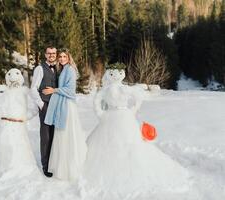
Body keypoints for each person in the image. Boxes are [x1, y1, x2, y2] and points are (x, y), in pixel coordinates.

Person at [80, 69, 191, 197]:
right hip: (113, 117)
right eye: (113, 73)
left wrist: (131, 110)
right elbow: (97, 101)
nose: (116, 76)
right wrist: (102, 113)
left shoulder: (123, 88)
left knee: (131, 144)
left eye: (118, 73)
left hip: (121, 117)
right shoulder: (109, 89)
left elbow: (137, 98)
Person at [42, 48, 87, 181]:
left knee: (66, 134)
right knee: (61, 135)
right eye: (60, 56)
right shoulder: (63, 69)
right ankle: (61, 164)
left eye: (64, 56)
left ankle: (69, 165)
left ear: (68, 58)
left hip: (67, 106)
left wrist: (54, 90)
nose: (61, 58)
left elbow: (70, 91)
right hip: (63, 104)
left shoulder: (70, 70)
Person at [30, 46, 58, 177]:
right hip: (45, 105)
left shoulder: (58, 68)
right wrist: (41, 104)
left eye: (54, 53)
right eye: (49, 53)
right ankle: (45, 166)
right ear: (45, 55)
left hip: (57, 105)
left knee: (55, 135)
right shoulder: (40, 68)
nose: (51, 55)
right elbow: (33, 89)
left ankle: (54, 162)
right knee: (46, 136)